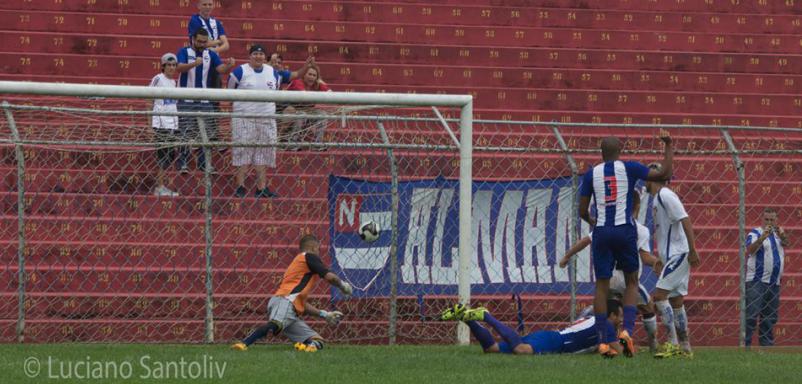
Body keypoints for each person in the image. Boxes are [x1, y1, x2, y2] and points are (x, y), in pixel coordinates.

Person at [578, 130, 673, 358]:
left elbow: (582, 210)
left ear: (601, 154)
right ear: (619, 152)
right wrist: (668, 146)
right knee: (632, 281)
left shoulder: (591, 174)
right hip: (624, 230)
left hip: (601, 231)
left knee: (602, 285)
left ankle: (605, 341)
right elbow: (664, 174)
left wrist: (591, 220)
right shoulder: (629, 167)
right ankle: (627, 332)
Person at [560, 189, 662, 352]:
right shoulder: (641, 230)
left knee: (610, 312)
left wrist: (567, 256)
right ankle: (652, 344)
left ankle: (606, 343)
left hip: (608, 280)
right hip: (627, 280)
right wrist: (656, 262)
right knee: (648, 306)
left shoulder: (608, 226)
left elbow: (586, 240)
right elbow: (644, 257)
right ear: (637, 207)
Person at [231, 234, 353, 352]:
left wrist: (324, 314)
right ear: (313, 248)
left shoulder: (298, 266)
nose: (318, 253)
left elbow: (300, 304)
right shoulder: (309, 256)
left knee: (317, 341)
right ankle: (243, 344)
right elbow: (330, 278)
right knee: (274, 325)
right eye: (318, 249)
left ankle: (305, 347)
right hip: (285, 302)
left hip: (288, 307)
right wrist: (343, 286)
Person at [646, 162, 699, 358]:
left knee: (660, 297)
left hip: (679, 254)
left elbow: (685, 219)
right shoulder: (658, 198)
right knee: (676, 301)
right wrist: (661, 259)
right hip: (673, 256)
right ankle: (685, 347)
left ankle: (672, 342)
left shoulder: (666, 195)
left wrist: (693, 250)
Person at [440, 300, 624, 356]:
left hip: (552, 338)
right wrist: (627, 341)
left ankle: (465, 316)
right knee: (521, 349)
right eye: (620, 315)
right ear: (612, 315)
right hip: (556, 342)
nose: (621, 320)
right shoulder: (605, 324)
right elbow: (621, 351)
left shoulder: (597, 323)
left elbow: (602, 349)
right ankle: (486, 315)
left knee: (491, 348)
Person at [175, 28, 235, 173]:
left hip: (204, 99)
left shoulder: (211, 54)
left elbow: (220, 69)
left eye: (204, 42)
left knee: (206, 133)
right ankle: (182, 161)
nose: (202, 44)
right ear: (193, 39)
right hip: (185, 98)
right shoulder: (184, 51)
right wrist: (193, 64)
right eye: (199, 41)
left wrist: (228, 66)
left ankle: (203, 162)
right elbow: (179, 68)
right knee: (185, 132)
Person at [227, 44, 280, 198]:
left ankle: (261, 187)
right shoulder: (240, 71)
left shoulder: (272, 72)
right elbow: (230, 91)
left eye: (261, 54)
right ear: (250, 56)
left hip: (266, 119)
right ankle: (240, 186)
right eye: (255, 53)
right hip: (244, 119)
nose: (258, 57)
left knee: (263, 152)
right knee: (243, 150)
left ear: (265, 57)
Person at [745, 207, 789, 347]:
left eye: (772, 219)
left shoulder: (777, 235)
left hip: (774, 282)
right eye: (767, 219)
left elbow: (787, 243)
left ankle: (767, 346)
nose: (769, 222)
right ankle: (745, 345)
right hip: (756, 281)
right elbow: (750, 250)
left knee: (770, 318)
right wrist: (763, 237)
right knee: (751, 316)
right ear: (761, 219)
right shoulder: (755, 232)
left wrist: (782, 235)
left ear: (776, 220)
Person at [149, 53, 180, 197]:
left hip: (172, 124)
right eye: (169, 65)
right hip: (160, 123)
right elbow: (148, 99)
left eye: (174, 65)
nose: (172, 68)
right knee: (163, 156)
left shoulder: (174, 82)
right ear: (163, 66)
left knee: (169, 156)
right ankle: (159, 186)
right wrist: (149, 124)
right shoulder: (157, 79)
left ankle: (162, 185)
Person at [283, 64, 332, 148]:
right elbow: (305, 96)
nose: (311, 77)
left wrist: (321, 81)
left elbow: (331, 94)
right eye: (309, 74)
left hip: (307, 111)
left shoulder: (317, 84)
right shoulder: (297, 82)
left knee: (322, 114)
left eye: (314, 75)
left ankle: (317, 143)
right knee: (301, 114)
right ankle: (293, 141)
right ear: (304, 75)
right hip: (289, 112)